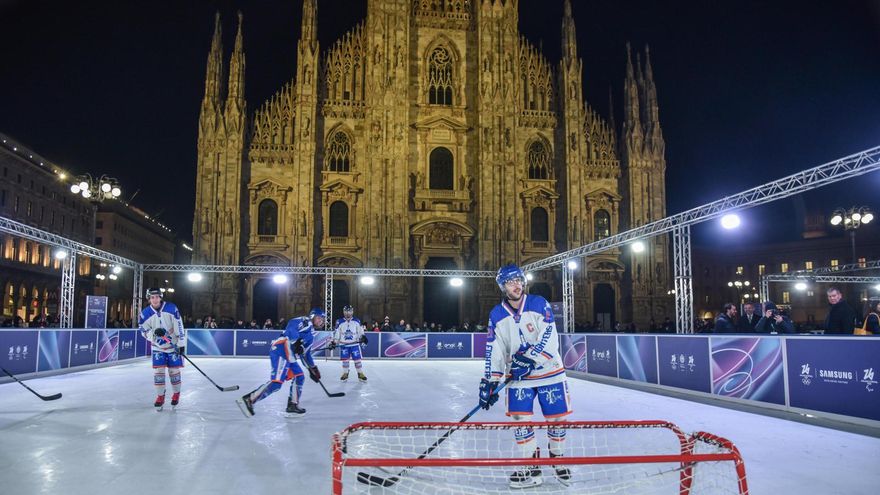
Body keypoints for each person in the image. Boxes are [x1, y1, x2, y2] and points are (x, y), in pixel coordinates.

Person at [480, 264, 572, 489]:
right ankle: (532, 466)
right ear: (503, 286)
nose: (517, 285)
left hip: (550, 372)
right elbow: (496, 348)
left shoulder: (539, 303)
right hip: (518, 377)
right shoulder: (497, 314)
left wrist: (530, 359)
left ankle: (557, 457)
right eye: (511, 282)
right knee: (520, 420)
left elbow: (549, 335)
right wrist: (490, 380)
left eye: (519, 280)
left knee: (557, 419)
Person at [236, 308, 326, 417]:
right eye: (319, 318)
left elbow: (305, 355)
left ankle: (293, 404)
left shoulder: (311, 336)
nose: (321, 320)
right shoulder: (305, 321)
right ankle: (250, 399)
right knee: (277, 383)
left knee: (299, 376)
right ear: (312, 317)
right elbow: (292, 326)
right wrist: (297, 341)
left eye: (323, 319)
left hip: (290, 355)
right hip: (281, 348)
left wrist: (313, 368)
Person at [138, 288, 186, 411]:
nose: (155, 299)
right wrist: (153, 335)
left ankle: (176, 394)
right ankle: (160, 396)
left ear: (161, 297)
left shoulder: (171, 308)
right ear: (149, 298)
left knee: (173, 371)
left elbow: (179, 325)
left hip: (172, 346)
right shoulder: (145, 313)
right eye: (152, 297)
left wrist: (181, 344)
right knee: (159, 372)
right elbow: (143, 330)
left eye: (157, 297)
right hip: (157, 347)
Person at [328, 305, 368, 381]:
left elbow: (360, 331)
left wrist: (363, 337)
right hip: (344, 345)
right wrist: (334, 342)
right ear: (344, 312)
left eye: (349, 311)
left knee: (357, 360)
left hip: (354, 344)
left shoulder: (356, 321)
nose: (348, 313)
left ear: (352, 312)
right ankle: (345, 373)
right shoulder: (339, 321)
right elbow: (336, 333)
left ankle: (360, 373)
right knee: (345, 360)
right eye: (346, 312)